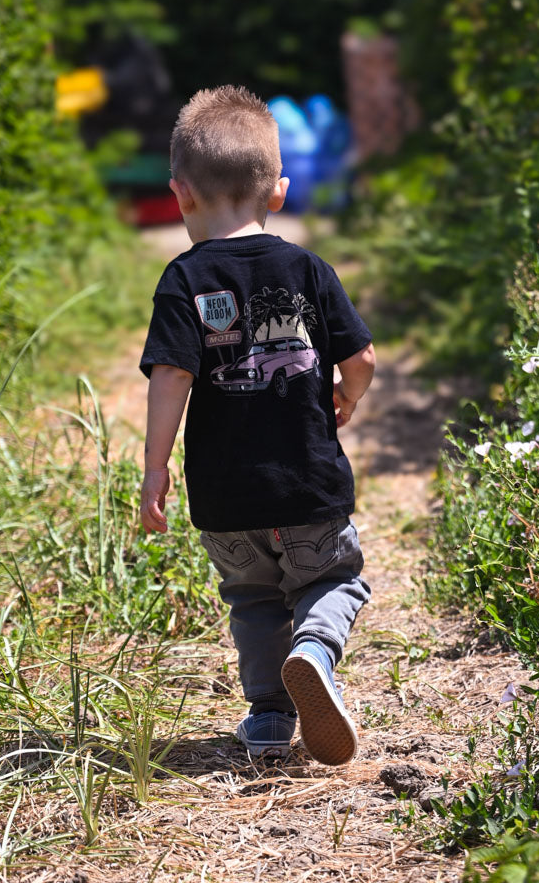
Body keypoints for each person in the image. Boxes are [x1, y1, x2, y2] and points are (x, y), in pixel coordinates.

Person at [139, 85, 375, 766]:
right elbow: (360, 357)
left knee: (252, 600)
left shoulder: (183, 278)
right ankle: (315, 652)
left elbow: (171, 378)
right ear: (278, 192)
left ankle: (269, 719)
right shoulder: (307, 268)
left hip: (225, 498)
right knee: (332, 582)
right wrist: (346, 396)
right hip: (307, 482)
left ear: (181, 194)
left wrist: (156, 470)